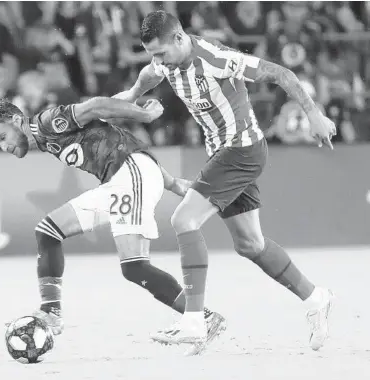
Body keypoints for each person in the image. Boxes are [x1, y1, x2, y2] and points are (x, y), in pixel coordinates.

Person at [114, 11, 336, 351]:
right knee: (250, 244)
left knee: (183, 219)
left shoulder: (215, 59)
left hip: (241, 149)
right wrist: (131, 94)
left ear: (179, 38)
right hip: (224, 153)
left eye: (161, 53)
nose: (158, 61)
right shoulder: (166, 62)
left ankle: (194, 321)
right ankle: (316, 298)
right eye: (152, 54)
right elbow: (148, 73)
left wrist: (313, 113)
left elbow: (279, 73)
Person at [0, 96, 225, 356]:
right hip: (119, 178)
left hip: (127, 173)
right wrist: (172, 183)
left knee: (135, 266)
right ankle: (51, 312)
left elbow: (95, 106)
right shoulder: (44, 138)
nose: (3, 146)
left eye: (3, 137)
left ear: (17, 120)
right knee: (48, 231)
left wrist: (144, 116)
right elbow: (117, 134)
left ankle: (202, 317)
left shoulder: (48, 123)